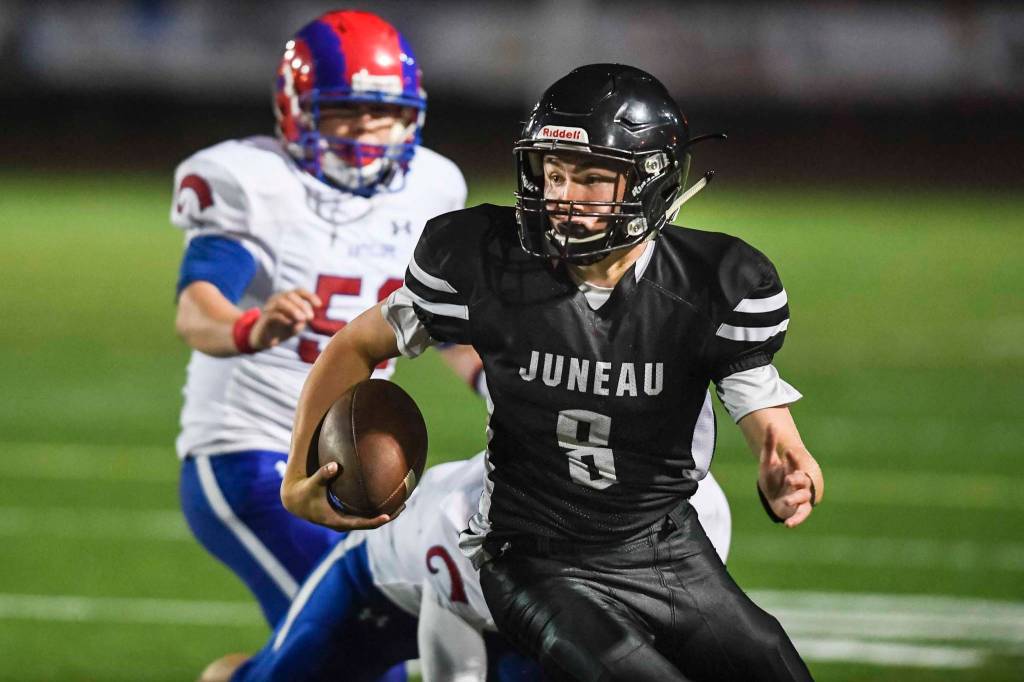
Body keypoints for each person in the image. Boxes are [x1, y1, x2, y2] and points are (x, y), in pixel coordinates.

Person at [282, 64, 824, 681]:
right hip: (533, 555)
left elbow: (756, 401)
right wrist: (298, 470)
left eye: (593, 178)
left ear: (652, 182)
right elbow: (355, 343)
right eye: (555, 174)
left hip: (667, 547)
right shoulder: (486, 261)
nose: (565, 197)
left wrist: (784, 456)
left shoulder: (715, 284)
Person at [171, 9, 467, 631]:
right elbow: (197, 304)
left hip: (354, 453)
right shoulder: (250, 179)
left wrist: (502, 385)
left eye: (381, 111)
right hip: (247, 451)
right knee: (358, 632)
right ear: (296, 109)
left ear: (411, 114)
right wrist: (250, 327)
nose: (364, 128)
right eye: (342, 110)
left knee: (384, 632)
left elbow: (447, 325)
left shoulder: (435, 186)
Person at [199, 453, 733, 681]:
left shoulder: (701, 514)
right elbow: (453, 657)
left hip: (518, 612)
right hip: (382, 584)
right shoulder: (482, 531)